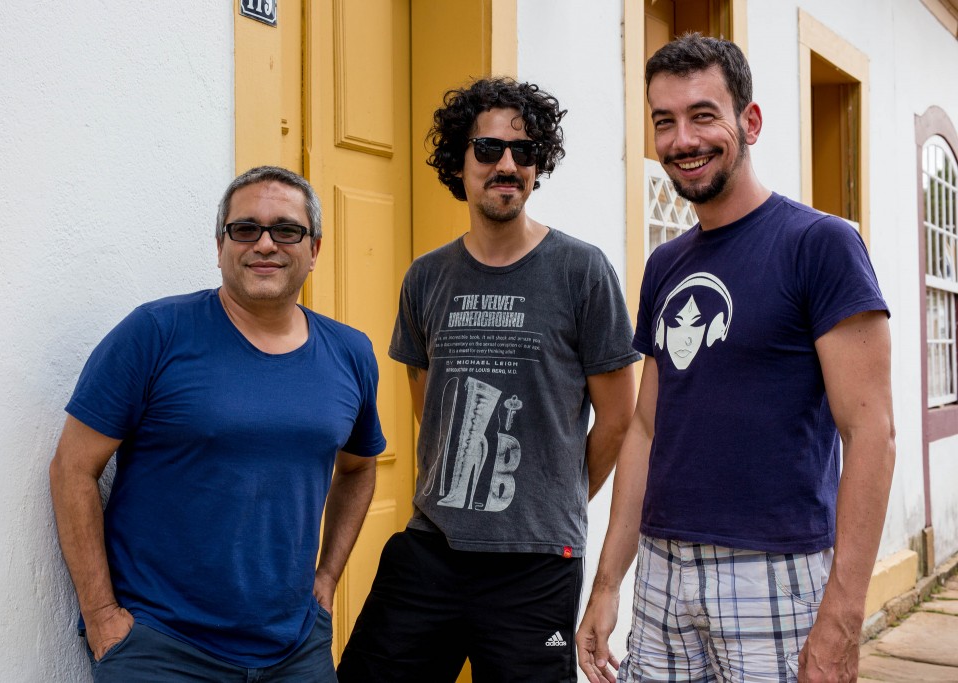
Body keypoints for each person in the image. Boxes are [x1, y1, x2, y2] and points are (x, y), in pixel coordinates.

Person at [575, 33, 895, 683]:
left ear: (749, 121)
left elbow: (873, 434)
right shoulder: (666, 264)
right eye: (664, 120)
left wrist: (841, 618)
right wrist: (608, 582)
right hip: (663, 571)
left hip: (772, 571)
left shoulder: (821, 244)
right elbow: (643, 428)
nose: (681, 139)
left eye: (702, 114)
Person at [337, 77, 640, 683]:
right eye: (488, 150)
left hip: (536, 563)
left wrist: (555, 494)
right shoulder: (426, 278)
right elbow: (431, 404)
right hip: (431, 547)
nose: (507, 165)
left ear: (537, 166)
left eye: (523, 152)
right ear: (459, 161)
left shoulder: (583, 271)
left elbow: (618, 419)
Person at [48, 166, 385, 682]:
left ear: (314, 249)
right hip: (164, 649)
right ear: (221, 245)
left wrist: (328, 577)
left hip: (296, 652)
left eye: (286, 230)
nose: (265, 244)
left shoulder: (350, 352)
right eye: (245, 228)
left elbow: (360, 468)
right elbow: (72, 468)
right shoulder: (156, 334)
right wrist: (101, 618)